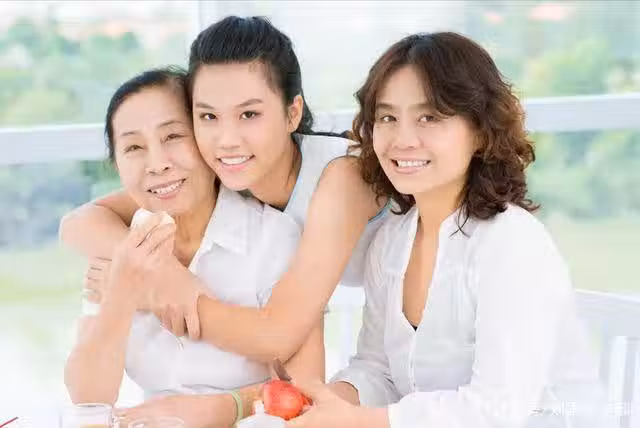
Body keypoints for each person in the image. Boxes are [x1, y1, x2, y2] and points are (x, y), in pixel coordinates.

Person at [286, 32, 607, 428]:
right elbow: (377, 369)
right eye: (387, 118)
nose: (403, 140)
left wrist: (360, 422)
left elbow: (498, 408)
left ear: (480, 131)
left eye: (430, 117)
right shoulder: (391, 241)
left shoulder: (512, 243)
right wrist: (327, 402)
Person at [59, 16, 386, 366]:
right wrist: (166, 274)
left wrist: (150, 293)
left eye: (249, 114)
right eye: (209, 117)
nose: (227, 140)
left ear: (293, 113)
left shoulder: (342, 176)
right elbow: (80, 222)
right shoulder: (228, 172)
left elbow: (277, 335)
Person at [63, 68, 323, 428]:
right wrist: (126, 290)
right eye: (134, 147)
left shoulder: (274, 238)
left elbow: (305, 392)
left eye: (173, 136)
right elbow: (87, 397)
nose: (157, 164)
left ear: (205, 139)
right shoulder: (119, 244)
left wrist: (221, 408)